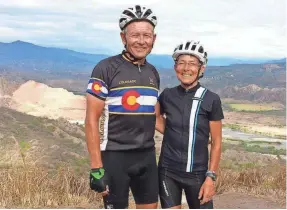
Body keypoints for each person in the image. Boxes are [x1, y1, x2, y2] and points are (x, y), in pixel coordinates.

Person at [85, 5, 160, 209]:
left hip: (146, 156)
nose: (141, 41)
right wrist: (96, 168)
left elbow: (155, 114)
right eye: (135, 35)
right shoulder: (106, 68)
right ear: (123, 37)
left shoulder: (153, 72)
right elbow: (91, 120)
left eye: (147, 35)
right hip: (114, 157)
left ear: (154, 38)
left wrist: (188, 136)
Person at [155, 40, 224, 209]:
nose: (186, 68)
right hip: (167, 171)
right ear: (175, 67)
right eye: (182, 63)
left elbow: (216, 142)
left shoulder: (211, 99)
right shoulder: (167, 95)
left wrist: (210, 177)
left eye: (192, 63)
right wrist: (178, 134)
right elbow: (155, 117)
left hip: (198, 174)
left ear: (202, 68)